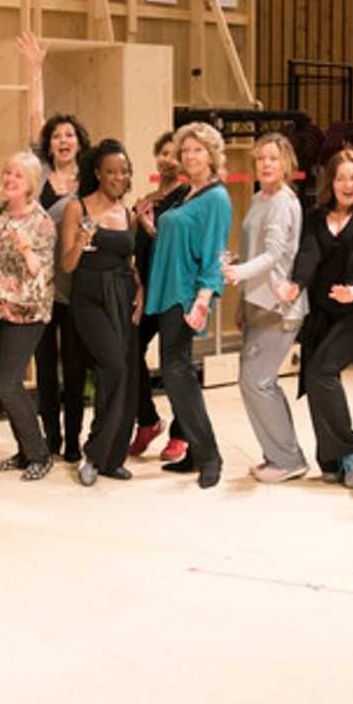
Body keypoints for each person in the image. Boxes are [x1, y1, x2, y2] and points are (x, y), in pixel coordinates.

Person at [285, 149, 353, 489]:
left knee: (322, 370)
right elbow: (308, 253)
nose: (349, 184)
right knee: (315, 378)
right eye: (341, 177)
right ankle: (330, 457)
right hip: (324, 309)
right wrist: (296, 284)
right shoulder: (315, 217)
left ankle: (351, 447)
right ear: (330, 181)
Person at [143, 122, 233, 489]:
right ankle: (196, 452)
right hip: (167, 291)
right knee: (174, 371)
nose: (189, 156)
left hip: (185, 295)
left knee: (176, 371)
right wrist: (154, 229)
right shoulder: (186, 194)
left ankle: (210, 455)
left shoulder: (216, 198)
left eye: (197, 150)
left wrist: (202, 299)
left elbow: (213, 252)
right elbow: (181, 234)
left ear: (212, 155)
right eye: (185, 150)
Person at [18, 31, 90, 461]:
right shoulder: (41, 172)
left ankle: (75, 439)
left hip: (77, 286)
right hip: (43, 286)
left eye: (69, 136)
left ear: (80, 142)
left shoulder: (90, 180)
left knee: (75, 367)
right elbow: (35, 117)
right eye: (57, 136)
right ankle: (51, 438)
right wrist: (35, 70)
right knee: (45, 368)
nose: (63, 140)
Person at [220, 132, 308, 483]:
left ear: (286, 163)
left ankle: (288, 458)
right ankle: (279, 454)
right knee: (258, 383)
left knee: (256, 382)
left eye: (272, 159)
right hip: (256, 301)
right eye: (260, 159)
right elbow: (254, 246)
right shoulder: (259, 198)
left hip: (279, 305)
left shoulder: (284, 202)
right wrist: (242, 301)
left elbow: (273, 255)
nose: (265, 165)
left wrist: (238, 273)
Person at [62, 139, 143, 485]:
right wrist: (81, 241)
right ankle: (93, 452)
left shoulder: (129, 216)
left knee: (127, 375)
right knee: (112, 365)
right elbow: (67, 264)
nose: (118, 177)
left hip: (123, 297)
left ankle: (111, 457)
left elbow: (130, 261)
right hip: (89, 299)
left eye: (124, 172)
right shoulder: (77, 208)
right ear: (97, 172)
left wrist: (140, 288)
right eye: (111, 171)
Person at [0, 153, 56, 480]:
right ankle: (24, 452)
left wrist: (26, 250)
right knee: (3, 384)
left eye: (17, 176)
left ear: (31, 184)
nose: (8, 179)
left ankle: (39, 454)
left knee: (9, 383)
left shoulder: (41, 222)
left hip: (26, 311)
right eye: (7, 172)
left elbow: (41, 270)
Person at [130, 131, 190, 460]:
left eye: (174, 154)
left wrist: (155, 229)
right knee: (130, 351)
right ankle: (148, 420)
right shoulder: (147, 199)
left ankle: (182, 433)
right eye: (163, 153)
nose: (168, 159)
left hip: (174, 291)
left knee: (174, 363)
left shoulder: (187, 199)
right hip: (147, 291)